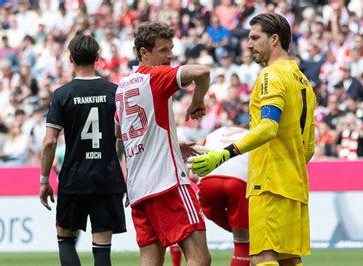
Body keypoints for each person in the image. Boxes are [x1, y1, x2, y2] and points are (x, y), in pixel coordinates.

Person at [191, 13, 316, 266]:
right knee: (289, 258)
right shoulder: (303, 82)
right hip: (295, 183)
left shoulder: (271, 76)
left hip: (269, 182)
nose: (248, 45)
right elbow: (309, 147)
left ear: (274, 39)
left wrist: (223, 154)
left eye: (254, 37)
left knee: (261, 256)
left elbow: (268, 128)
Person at [114, 22, 211, 266]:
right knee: (200, 257)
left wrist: (170, 144)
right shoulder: (155, 76)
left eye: (171, 49)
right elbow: (202, 72)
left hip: (138, 188)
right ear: (144, 53)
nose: (170, 55)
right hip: (167, 183)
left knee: (150, 261)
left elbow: (119, 130)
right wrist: (197, 100)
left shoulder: (123, 86)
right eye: (163, 50)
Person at [39, 34, 126, 266]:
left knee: (66, 240)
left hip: (74, 178)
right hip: (107, 177)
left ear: (70, 59)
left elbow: (49, 142)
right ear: (98, 58)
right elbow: (124, 138)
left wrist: (44, 179)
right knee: (102, 250)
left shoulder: (62, 95)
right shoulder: (115, 92)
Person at [171, 126, 251, 266]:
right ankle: (246, 236)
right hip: (239, 182)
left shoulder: (214, 133)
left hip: (209, 181)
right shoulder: (252, 136)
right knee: (243, 243)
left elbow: (193, 174)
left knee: (181, 229)